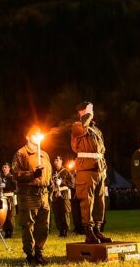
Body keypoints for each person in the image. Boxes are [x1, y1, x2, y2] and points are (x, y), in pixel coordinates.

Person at [71, 101, 112, 244]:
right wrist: (87, 114)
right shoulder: (77, 126)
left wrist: (104, 169)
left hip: (99, 170)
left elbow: (101, 151)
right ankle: (88, 231)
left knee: (99, 202)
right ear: (82, 112)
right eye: (89, 110)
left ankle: (97, 229)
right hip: (86, 170)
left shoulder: (96, 130)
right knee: (87, 202)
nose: (92, 112)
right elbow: (83, 126)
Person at [13, 126, 53, 266]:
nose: (37, 137)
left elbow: (49, 174)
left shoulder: (44, 154)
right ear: (27, 137)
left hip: (44, 195)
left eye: (39, 134)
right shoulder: (21, 153)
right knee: (28, 226)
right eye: (34, 135)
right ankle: (30, 255)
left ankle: (39, 253)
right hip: (29, 195)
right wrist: (32, 174)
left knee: (43, 226)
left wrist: (50, 185)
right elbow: (16, 174)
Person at [51, 156, 74, 237]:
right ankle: (60, 231)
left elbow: (72, 183)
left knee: (65, 213)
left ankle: (66, 231)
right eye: (55, 160)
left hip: (64, 195)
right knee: (57, 214)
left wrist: (62, 182)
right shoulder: (53, 173)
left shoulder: (66, 172)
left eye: (57, 160)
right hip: (55, 196)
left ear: (61, 161)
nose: (56, 162)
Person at [0, 162, 17, 238]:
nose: (4, 169)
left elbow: (15, 186)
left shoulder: (12, 177)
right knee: (4, 216)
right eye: (3, 167)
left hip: (10, 198)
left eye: (6, 167)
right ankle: (6, 232)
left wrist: (6, 185)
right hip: (3, 198)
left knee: (10, 216)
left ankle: (11, 232)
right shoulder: (1, 177)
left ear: (9, 168)